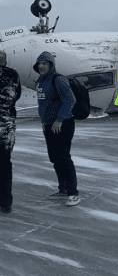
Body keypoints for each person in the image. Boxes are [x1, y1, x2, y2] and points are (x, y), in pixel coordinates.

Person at [34, 51, 80, 207]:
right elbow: (43, 104)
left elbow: (70, 100)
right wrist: (43, 121)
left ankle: (73, 193)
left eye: (44, 63)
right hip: (48, 124)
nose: (41, 66)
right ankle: (63, 189)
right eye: (39, 64)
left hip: (62, 124)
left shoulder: (58, 79)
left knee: (64, 157)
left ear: (51, 65)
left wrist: (59, 120)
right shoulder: (40, 81)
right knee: (54, 157)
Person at [0, 51, 21, 214]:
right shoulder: (13, 74)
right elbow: (17, 95)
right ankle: (6, 202)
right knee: (5, 164)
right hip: (7, 126)